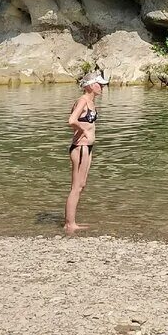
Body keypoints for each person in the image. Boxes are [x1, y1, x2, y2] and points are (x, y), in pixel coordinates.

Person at [65, 70, 108, 234]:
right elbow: (71, 121)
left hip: (87, 148)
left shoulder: (91, 101)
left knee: (81, 185)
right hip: (80, 147)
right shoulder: (83, 100)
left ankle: (71, 221)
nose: (102, 87)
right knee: (76, 186)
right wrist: (82, 129)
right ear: (90, 86)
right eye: (99, 84)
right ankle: (70, 224)